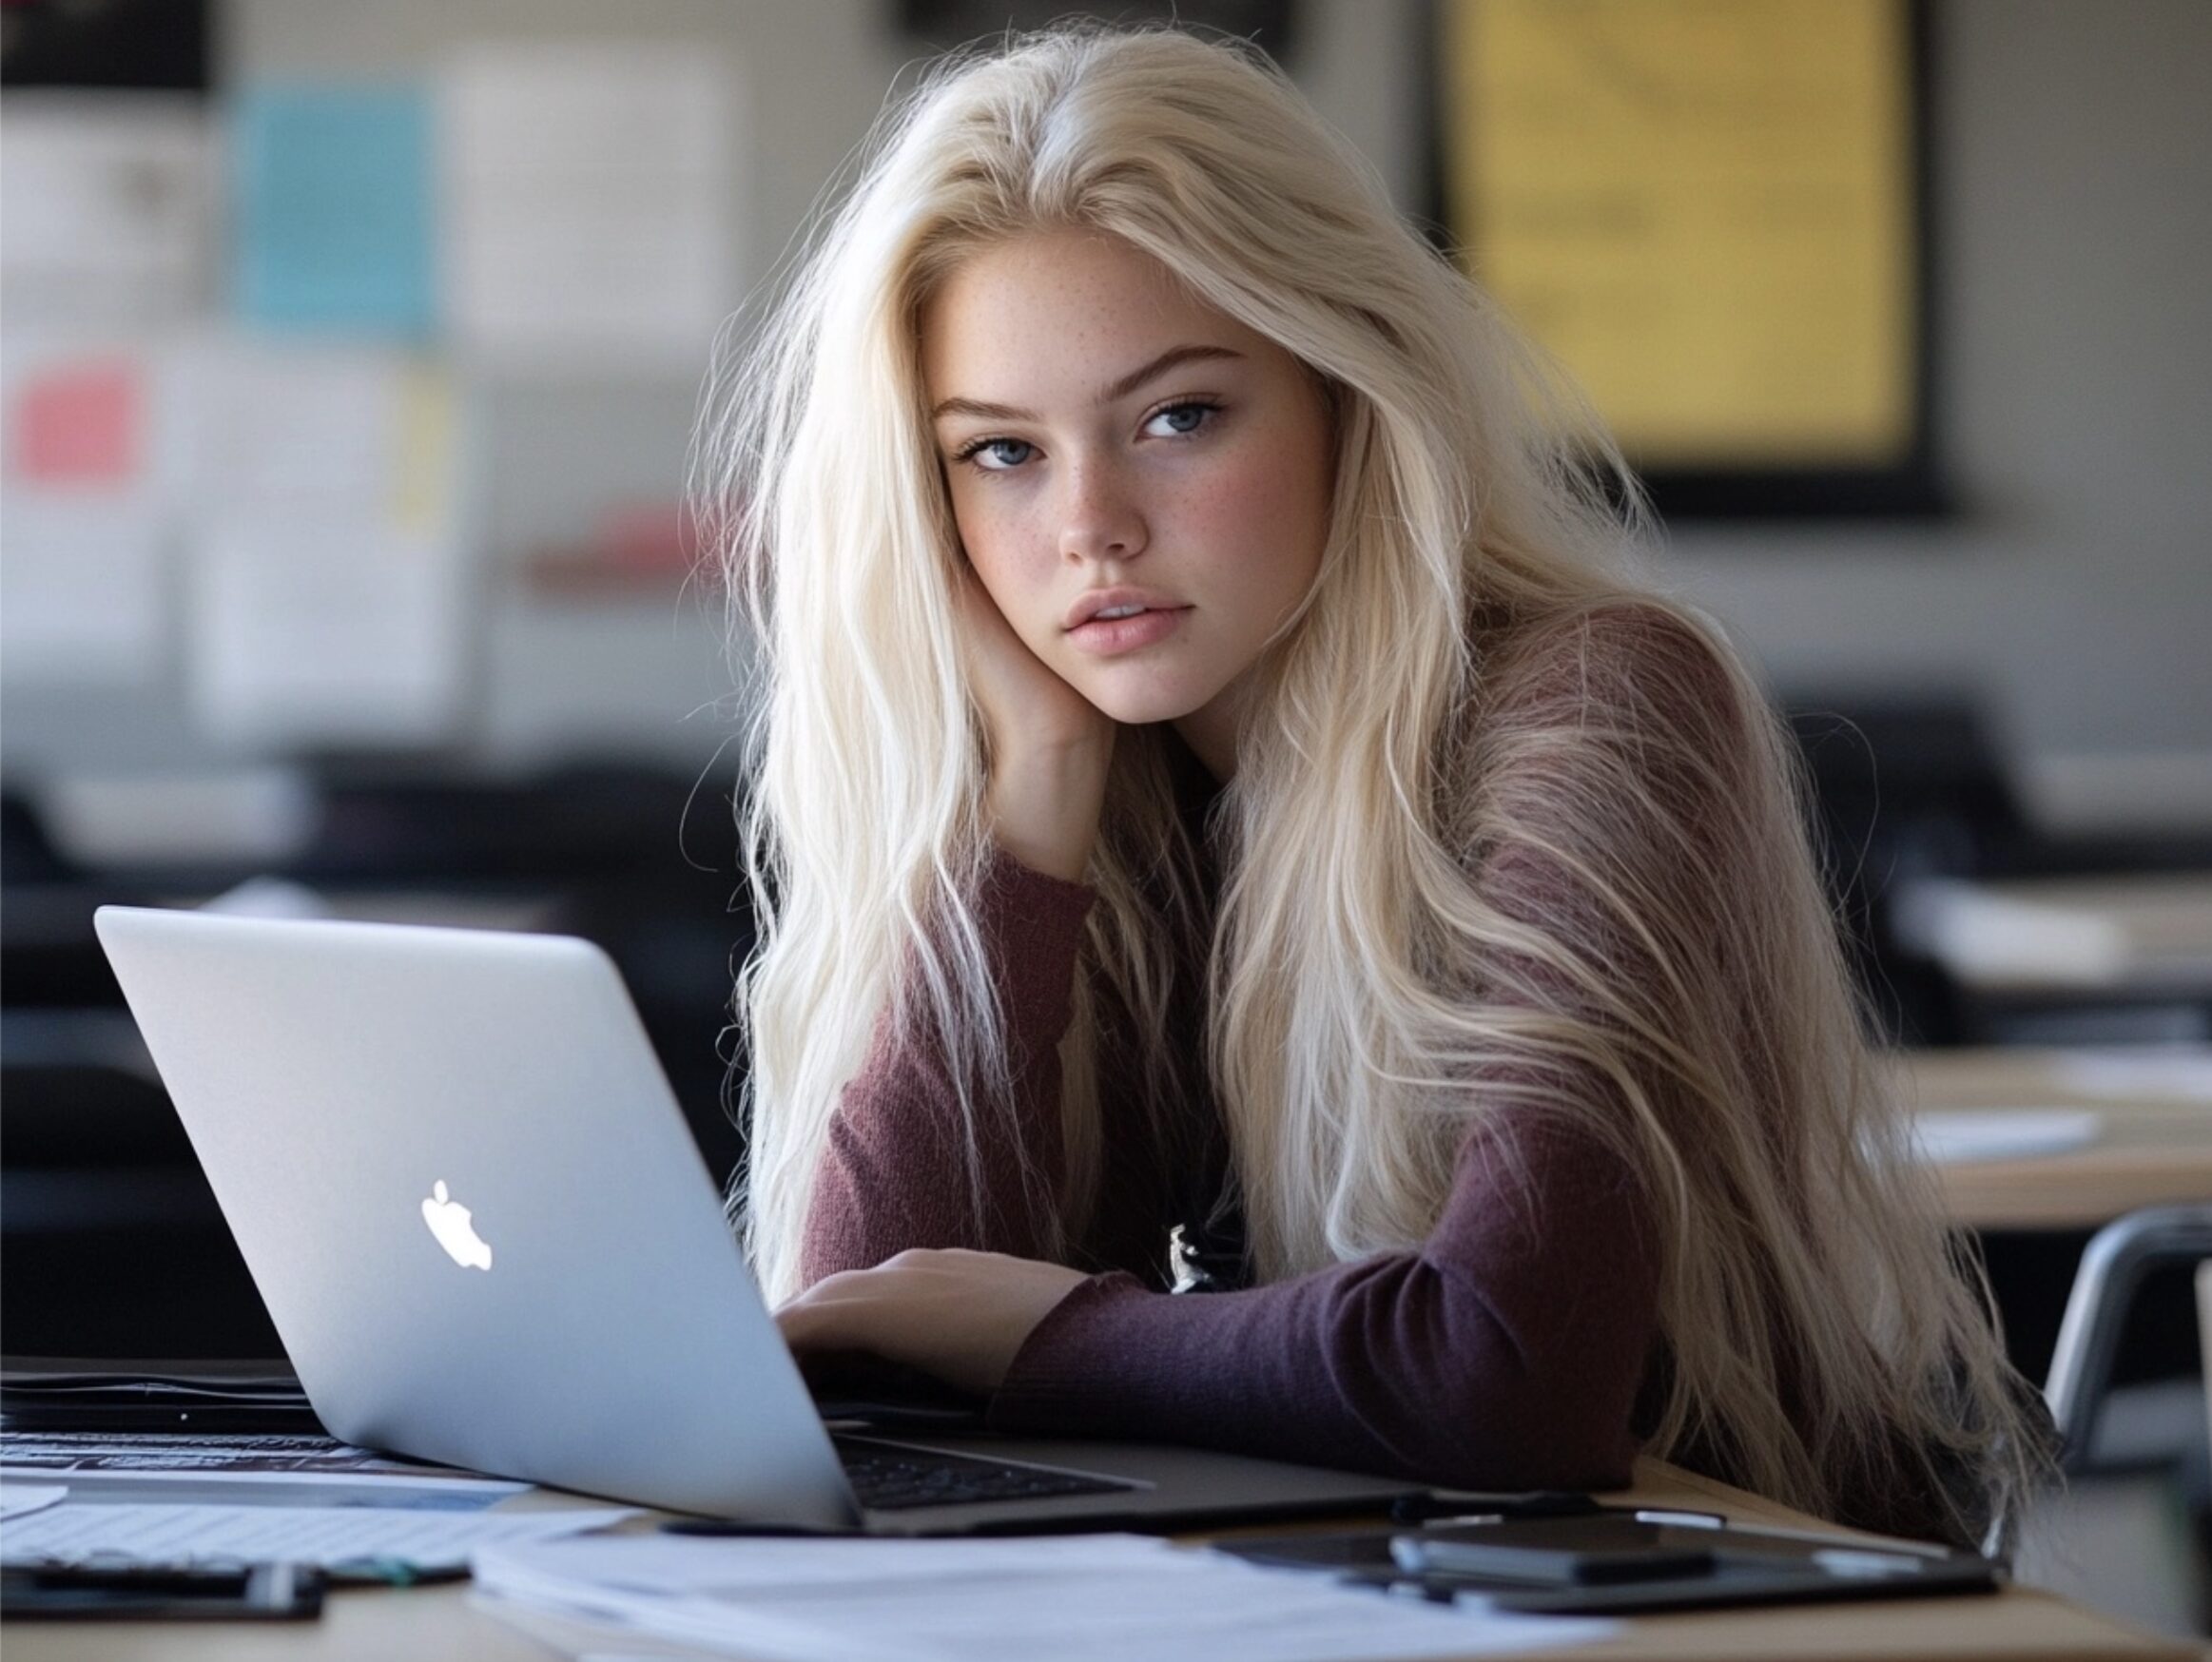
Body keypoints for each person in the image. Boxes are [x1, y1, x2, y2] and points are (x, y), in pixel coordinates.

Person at [708, 25, 2041, 1548]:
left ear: (1350, 387)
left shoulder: (1597, 701)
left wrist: (1045, 1331)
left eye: (1176, 418)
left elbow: (1507, 1375)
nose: (1089, 527)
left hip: (1714, 1603)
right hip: (1335, 1595)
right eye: (999, 453)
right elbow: (875, 1339)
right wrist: (1037, 784)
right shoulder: (1107, 799)